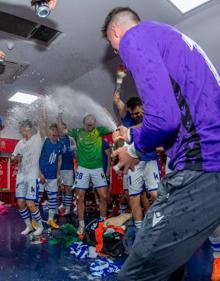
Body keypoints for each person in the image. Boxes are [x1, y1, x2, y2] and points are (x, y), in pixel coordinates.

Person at [102, 6, 220, 281]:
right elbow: (180, 115)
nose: (120, 54)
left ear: (116, 32)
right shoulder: (172, 39)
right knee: (193, 264)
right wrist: (133, 134)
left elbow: (165, 119)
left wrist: (133, 150)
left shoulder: (134, 37)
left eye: (114, 47)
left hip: (201, 166)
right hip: (212, 165)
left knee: (136, 274)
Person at [113, 94, 160, 230]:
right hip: (134, 163)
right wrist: (117, 97)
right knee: (134, 197)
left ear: (144, 109)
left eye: (140, 113)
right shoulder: (127, 119)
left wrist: (130, 129)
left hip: (150, 161)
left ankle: (158, 224)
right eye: (134, 114)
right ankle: (140, 230)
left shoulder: (149, 119)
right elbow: (118, 103)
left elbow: (142, 126)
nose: (137, 116)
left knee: (155, 194)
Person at [67, 114, 109, 235]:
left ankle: (103, 223)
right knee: (80, 197)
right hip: (83, 168)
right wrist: (59, 116)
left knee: (104, 196)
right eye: (88, 120)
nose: (90, 122)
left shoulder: (99, 131)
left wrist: (104, 112)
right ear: (84, 122)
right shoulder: (78, 131)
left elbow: (113, 127)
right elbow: (63, 130)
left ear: (95, 123)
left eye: (93, 120)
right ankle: (81, 225)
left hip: (97, 168)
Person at [12, 119, 46, 236]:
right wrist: (16, 159)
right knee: (21, 203)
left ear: (27, 128)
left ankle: (40, 226)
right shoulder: (20, 143)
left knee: (30, 203)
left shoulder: (37, 139)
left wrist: (43, 107)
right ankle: (29, 226)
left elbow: (43, 125)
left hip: (32, 176)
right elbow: (13, 158)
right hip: (21, 177)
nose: (20, 130)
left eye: (21, 128)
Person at [39, 123, 63, 229]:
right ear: (49, 132)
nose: (54, 132)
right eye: (52, 130)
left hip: (53, 177)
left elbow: (59, 160)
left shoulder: (60, 145)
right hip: (42, 175)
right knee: (36, 198)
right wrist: (39, 173)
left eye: (55, 130)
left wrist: (58, 174)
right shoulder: (44, 142)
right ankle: (35, 221)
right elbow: (37, 157)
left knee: (53, 199)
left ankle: (50, 220)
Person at [58, 121, 75, 217]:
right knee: (61, 188)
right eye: (61, 128)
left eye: (64, 128)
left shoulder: (71, 139)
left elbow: (75, 153)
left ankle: (68, 208)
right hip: (58, 168)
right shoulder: (56, 139)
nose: (63, 130)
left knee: (68, 188)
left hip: (68, 167)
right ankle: (63, 204)